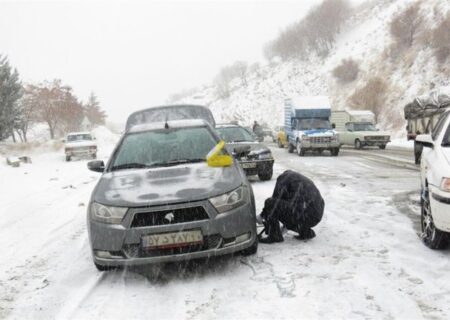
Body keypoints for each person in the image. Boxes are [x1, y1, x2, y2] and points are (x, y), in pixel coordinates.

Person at [259, 170, 324, 243]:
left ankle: (274, 236)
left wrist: (262, 216)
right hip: (316, 215)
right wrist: (286, 224)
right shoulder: (297, 181)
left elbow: (274, 201)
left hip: (305, 212)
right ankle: (306, 232)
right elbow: (289, 206)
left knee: (269, 202)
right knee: (295, 211)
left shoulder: (283, 179)